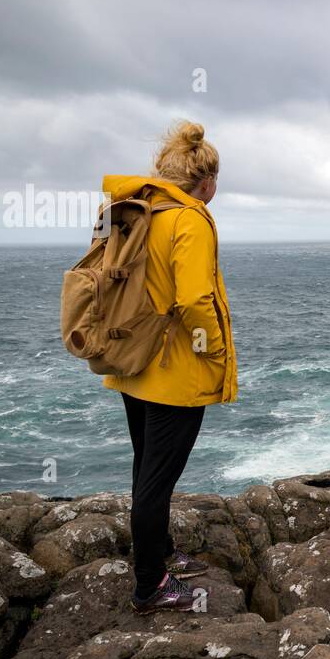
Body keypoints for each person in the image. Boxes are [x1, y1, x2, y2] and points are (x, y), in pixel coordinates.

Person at [99, 120, 238, 613]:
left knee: (146, 467)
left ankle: (158, 554)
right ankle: (150, 586)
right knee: (157, 480)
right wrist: (214, 352)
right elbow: (196, 298)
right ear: (207, 181)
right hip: (174, 371)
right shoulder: (191, 219)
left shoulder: (138, 211)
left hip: (133, 359)